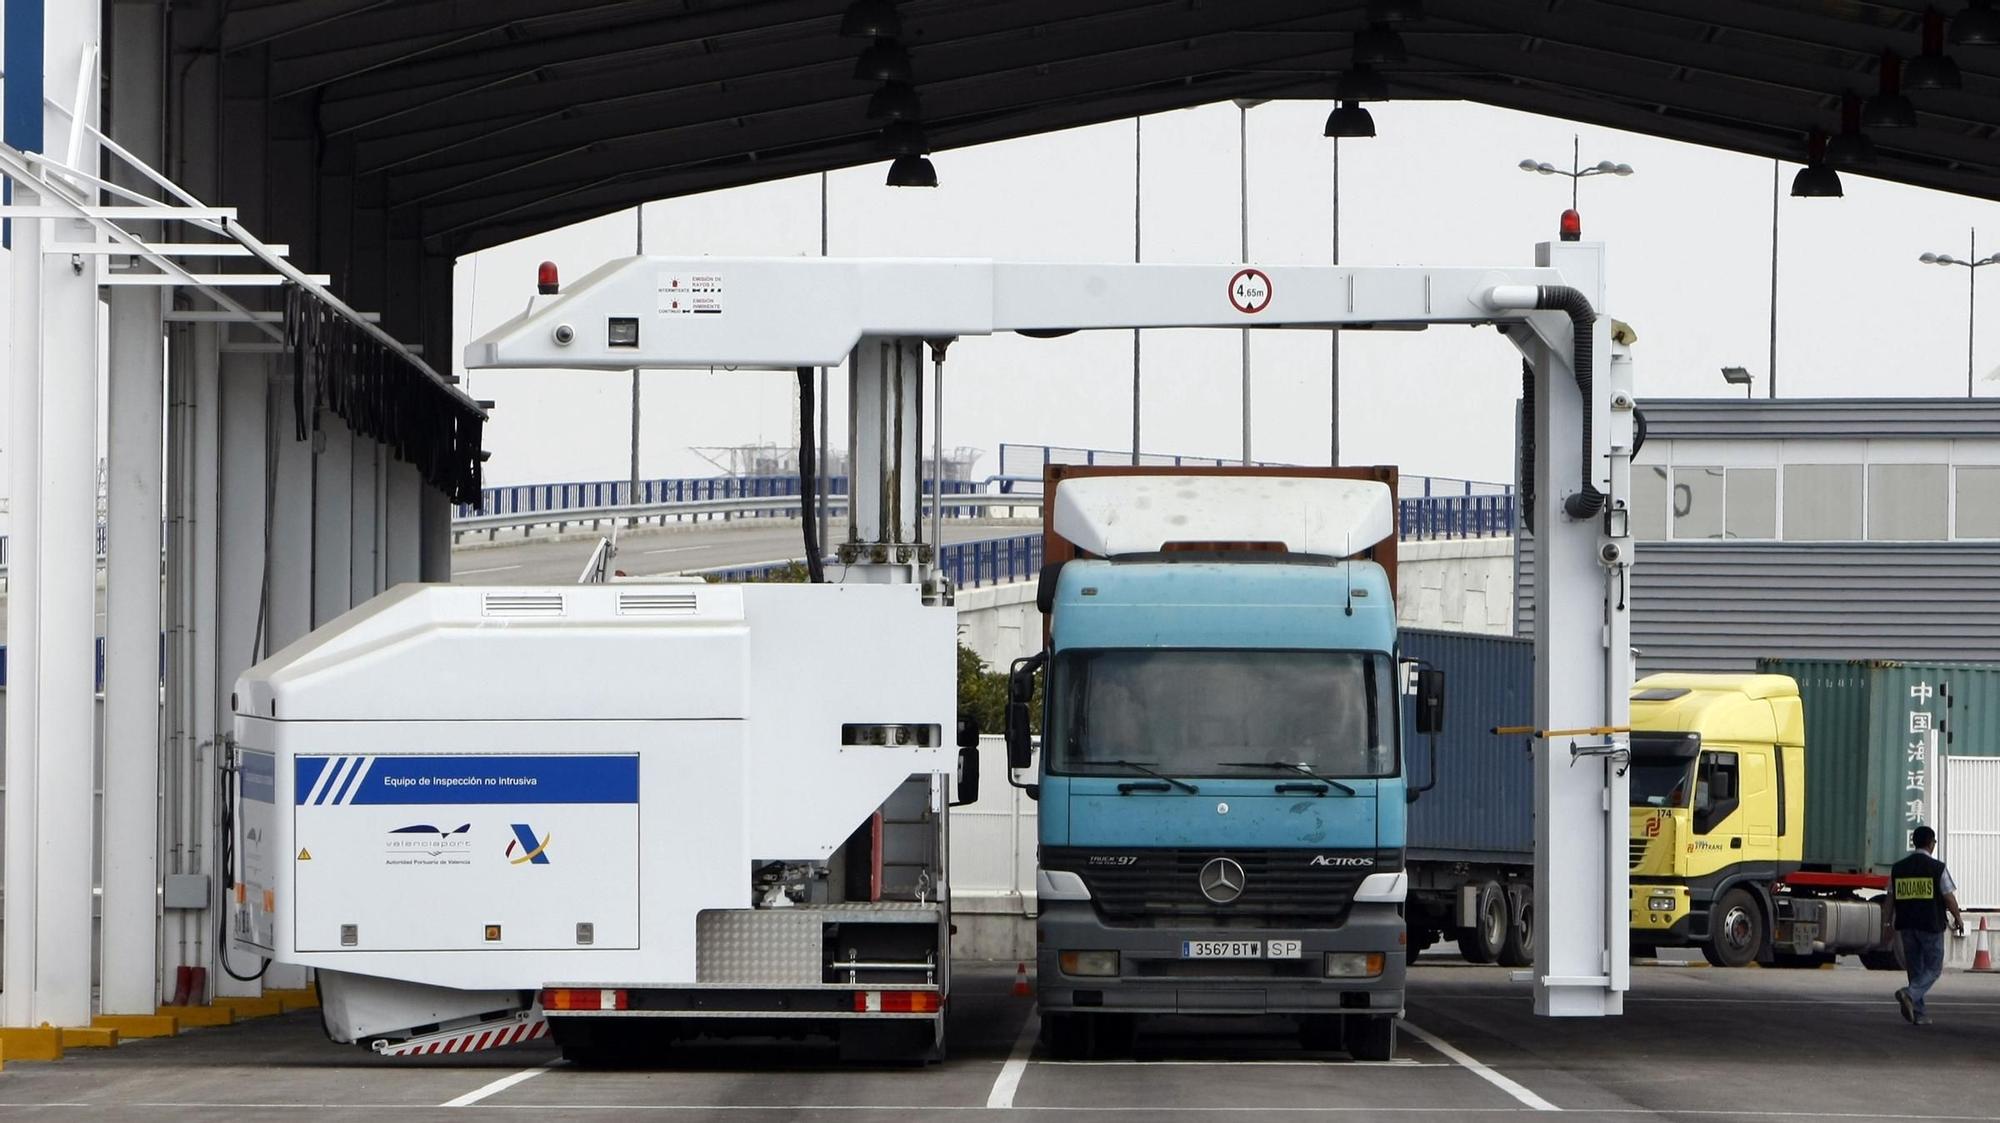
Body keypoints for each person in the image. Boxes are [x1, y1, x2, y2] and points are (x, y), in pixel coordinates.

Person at [1891, 824, 1964, 1026]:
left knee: (1915, 970)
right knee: (1933, 968)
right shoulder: (1937, 868)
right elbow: (1949, 898)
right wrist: (1958, 918)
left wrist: (1887, 924)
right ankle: (1909, 993)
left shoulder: (1898, 868)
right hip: (1930, 925)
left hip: (1905, 926)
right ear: (1931, 844)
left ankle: (1919, 1013)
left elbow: (1890, 900)